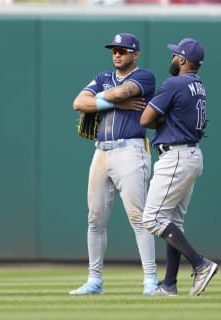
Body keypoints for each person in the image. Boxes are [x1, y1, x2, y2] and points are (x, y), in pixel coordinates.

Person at [70, 33, 158, 295]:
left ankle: (150, 281)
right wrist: (115, 102)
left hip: (131, 151)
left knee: (138, 217)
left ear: (135, 54)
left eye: (123, 50)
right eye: (114, 50)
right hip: (101, 152)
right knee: (94, 219)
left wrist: (101, 101)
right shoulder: (102, 76)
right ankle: (94, 280)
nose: (117, 54)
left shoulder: (144, 77)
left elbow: (122, 92)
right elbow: (77, 103)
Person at [140, 38, 218, 297]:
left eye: (175, 54)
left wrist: (159, 116)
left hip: (176, 156)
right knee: (173, 221)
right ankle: (169, 285)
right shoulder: (198, 85)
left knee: (152, 219)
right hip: (192, 154)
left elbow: (145, 119)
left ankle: (200, 263)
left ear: (183, 60)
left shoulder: (174, 83)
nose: (172, 58)